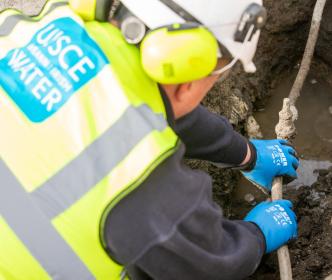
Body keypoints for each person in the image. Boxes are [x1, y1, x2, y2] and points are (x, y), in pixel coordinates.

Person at [0, 0, 299, 279]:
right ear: (190, 80)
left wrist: (245, 154)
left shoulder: (27, 29)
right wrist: (256, 235)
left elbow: (152, 109)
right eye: (216, 77)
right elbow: (209, 262)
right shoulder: (139, 180)